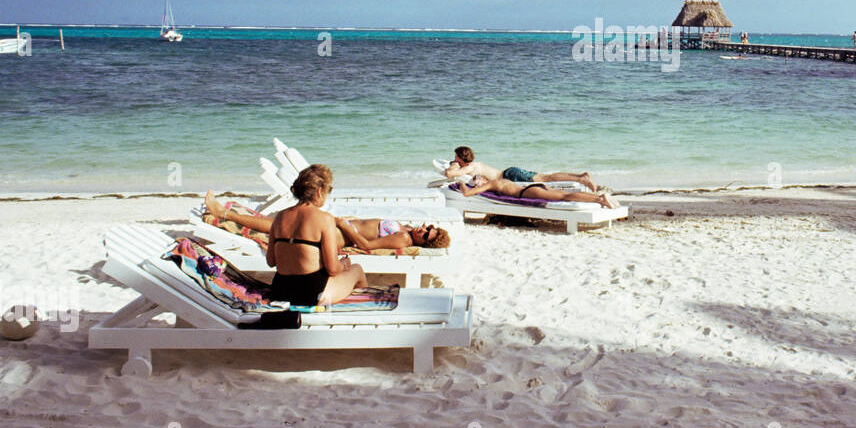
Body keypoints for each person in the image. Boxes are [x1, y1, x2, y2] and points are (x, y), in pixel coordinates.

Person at [204, 190, 449, 251]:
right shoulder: (407, 229)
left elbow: (367, 246)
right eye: (430, 226)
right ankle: (232, 216)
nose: (425, 228)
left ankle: (224, 214)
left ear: (424, 242)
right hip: (339, 227)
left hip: (337, 235)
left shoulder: (404, 239)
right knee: (288, 220)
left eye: (427, 233)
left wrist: (344, 225)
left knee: (280, 226)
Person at [261, 164, 365, 307]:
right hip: (312, 293)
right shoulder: (324, 219)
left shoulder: (280, 217)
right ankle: (364, 309)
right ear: (319, 191)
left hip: (281, 291)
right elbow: (333, 269)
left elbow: (271, 261)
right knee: (357, 270)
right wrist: (344, 264)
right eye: (329, 190)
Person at [443, 146, 598, 191]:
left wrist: (453, 165)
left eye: (456, 157)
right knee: (546, 177)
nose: (454, 159)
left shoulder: (470, 167)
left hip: (510, 176)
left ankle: (581, 179)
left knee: (547, 178)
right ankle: (580, 176)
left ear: (460, 158)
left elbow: (450, 174)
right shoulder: (476, 164)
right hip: (510, 173)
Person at [458, 174, 621, 209]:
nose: (476, 181)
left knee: (565, 196)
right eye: (474, 180)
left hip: (528, 193)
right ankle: (598, 197)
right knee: (564, 195)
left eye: (477, 178)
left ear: (484, 180)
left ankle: (600, 199)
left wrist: (462, 184)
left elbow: (467, 194)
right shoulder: (500, 180)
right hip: (534, 188)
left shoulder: (491, 184)